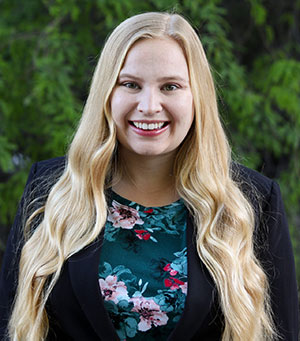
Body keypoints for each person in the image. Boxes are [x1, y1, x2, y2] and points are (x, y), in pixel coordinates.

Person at [0, 12, 298, 341]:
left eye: (170, 86)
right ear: (106, 94)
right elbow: (8, 322)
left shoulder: (253, 202)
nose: (149, 105)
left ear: (196, 96)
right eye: (131, 85)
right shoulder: (51, 189)